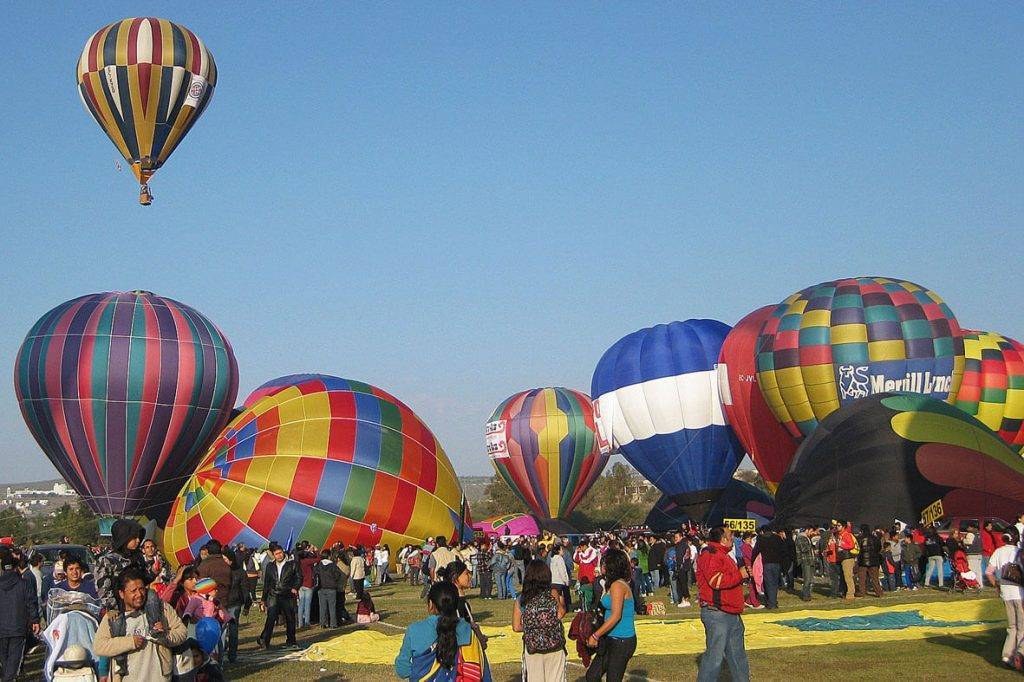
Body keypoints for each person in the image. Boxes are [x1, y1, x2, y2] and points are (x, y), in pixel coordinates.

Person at [92, 566, 188, 682]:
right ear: (122, 594)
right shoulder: (113, 617)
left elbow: (182, 632)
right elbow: (99, 647)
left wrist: (165, 636)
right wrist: (130, 642)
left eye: (141, 589)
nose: (139, 594)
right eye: (133, 591)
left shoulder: (161, 608)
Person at [696, 526, 750, 682]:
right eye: (730, 536)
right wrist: (739, 574)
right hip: (717, 612)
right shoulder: (711, 555)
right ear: (723, 539)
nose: (733, 538)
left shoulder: (722, 555)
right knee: (714, 658)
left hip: (730, 611)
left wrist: (741, 575)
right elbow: (716, 581)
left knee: (738, 656)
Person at [394, 581, 475, 680]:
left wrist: (418, 674)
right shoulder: (466, 628)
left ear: (431, 604)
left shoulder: (414, 630)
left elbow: (402, 669)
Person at [585, 549, 636, 682]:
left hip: (621, 640)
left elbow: (616, 616)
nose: (601, 566)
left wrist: (595, 635)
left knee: (613, 679)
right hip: (609, 637)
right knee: (592, 676)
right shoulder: (610, 584)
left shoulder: (618, 585)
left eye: (604, 563)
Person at [513, 559, 567, 680]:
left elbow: (516, 627)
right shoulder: (552, 593)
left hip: (533, 648)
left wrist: (532, 627)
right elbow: (561, 613)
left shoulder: (522, 599)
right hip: (555, 646)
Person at [986, 526, 1024, 667]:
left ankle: (1007, 655)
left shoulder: (998, 552)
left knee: (1012, 626)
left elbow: (989, 572)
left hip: (1006, 593)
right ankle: (1018, 656)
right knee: (1022, 627)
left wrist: (997, 585)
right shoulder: (1019, 552)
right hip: (1020, 593)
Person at [0, 547, 39, 682]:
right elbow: (31, 603)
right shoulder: (23, 584)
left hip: (2, 630)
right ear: (16, 567)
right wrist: (35, 621)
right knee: (14, 662)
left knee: (5, 662)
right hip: (18, 628)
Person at [257, 543, 301, 650]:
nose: (279, 555)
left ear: (283, 552)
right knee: (271, 618)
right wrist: (263, 599)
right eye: (276, 554)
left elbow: (299, 577)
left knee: (290, 618)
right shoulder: (270, 566)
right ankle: (264, 640)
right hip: (273, 595)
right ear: (273, 555)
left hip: (288, 595)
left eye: (280, 553)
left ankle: (291, 641)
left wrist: (295, 587)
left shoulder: (292, 564)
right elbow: (267, 583)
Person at [751, 528, 784, 609]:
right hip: (776, 563)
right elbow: (782, 550)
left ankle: (771, 602)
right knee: (775, 583)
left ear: (763, 531)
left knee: (768, 583)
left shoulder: (761, 538)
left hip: (767, 563)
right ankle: (773, 601)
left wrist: (752, 562)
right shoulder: (777, 538)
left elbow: (756, 550)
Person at [314, 549, 343, 629]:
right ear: (329, 556)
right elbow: (338, 575)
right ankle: (333, 624)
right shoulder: (333, 566)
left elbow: (314, 574)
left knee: (322, 607)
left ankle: (323, 623)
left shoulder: (319, 565)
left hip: (321, 588)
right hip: (331, 588)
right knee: (332, 607)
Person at [855, 525, 883, 598]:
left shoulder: (859, 538)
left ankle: (862, 592)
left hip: (862, 561)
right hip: (874, 560)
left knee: (862, 578)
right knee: (875, 578)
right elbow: (879, 548)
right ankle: (879, 592)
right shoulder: (875, 538)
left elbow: (857, 549)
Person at [836, 521, 858, 603]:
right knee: (845, 576)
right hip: (843, 558)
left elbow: (851, 545)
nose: (837, 527)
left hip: (847, 558)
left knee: (848, 576)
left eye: (839, 525)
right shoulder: (840, 535)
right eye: (837, 525)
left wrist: (842, 545)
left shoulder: (846, 534)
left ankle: (850, 594)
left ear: (843, 526)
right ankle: (847, 593)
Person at [794, 528, 816, 602]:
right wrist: (811, 545)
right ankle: (806, 595)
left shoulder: (806, 538)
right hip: (805, 561)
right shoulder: (800, 537)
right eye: (811, 531)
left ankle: (808, 594)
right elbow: (803, 549)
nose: (812, 533)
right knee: (807, 579)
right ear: (807, 530)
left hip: (810, 560)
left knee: (811, 579)